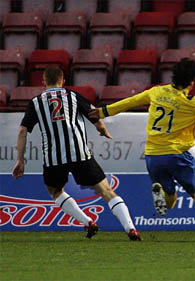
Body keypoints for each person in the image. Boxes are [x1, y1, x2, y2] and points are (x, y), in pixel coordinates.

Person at [88, 58, 195, 243]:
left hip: (153, 155)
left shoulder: (156, 92)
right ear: (192, 82)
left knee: (170, 200)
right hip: (176, 154)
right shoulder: (194, 103)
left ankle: (161, 193)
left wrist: (102, 112)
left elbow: (130, 102)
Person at [12, 66, 141, 241]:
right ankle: (130, 228)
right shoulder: (73, 96)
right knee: (106, 190)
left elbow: (22, 131)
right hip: (80, 153)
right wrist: (102, 130)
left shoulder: (36, 102)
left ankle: (87, 222)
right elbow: (94, 116)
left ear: (43, 82)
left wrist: (20, 160)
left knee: (55, 191)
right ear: (63, 81)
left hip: (54, 158)